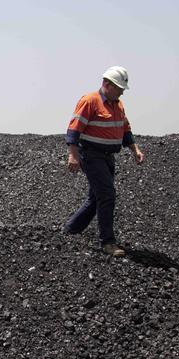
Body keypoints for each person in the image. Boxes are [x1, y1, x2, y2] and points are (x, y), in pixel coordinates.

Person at [64, 65, 145, 256]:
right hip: (91, 155)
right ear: (106, 84)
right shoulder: (89, 101)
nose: (121, 92)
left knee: (96, 198)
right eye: (118, 88)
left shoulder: (118, 105)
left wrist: (135, 149)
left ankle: (70, 230)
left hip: (108, 157)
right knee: (107, 195)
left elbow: (125, 130)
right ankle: (108, 242)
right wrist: (73, 155)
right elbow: (74, 130)